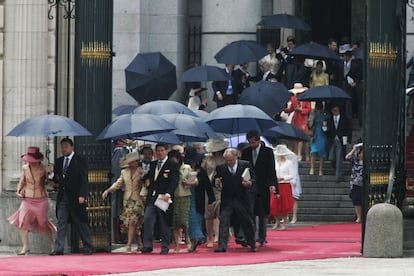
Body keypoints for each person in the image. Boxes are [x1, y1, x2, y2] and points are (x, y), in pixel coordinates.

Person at [49, 138, 93, 255]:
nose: (64, 149)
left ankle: (88, 246)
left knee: (80, 222)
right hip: (63, 196)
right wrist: (51, 173)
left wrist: (82, 195)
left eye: (66, 146)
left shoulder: (80, 160)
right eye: (62, 147)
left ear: (72, 147)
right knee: (61, 222)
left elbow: (84, 179)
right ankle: (59, 248)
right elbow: (56, 179)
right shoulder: (59, 161)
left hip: (76, 196)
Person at [8, 147, 56, 255]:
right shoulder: (25, 168)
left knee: (43, 223)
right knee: (23, 221)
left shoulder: (43, 168)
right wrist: (18, 191)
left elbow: (51, 182)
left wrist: (51, 173)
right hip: (28, 199)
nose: (30, 162)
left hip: (41, 199)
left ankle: (53, 244)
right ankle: (26, 247)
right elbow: (22, 181)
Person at [213, 148, 257, 253]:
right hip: (227, 199)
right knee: (223, 221)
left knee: (247, 221)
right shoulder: (221, 168)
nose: (229, 163)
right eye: (227, 160)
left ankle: (252, 243)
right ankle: (222, 245)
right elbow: (214, 181)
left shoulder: (245, 165)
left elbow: (254, 178)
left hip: (241, 198)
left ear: (236, 157)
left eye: (231, 160)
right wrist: (217, 182)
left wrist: (249, 183)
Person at [139, 143, 180, 254]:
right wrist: (142, 175)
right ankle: (147, 245)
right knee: (148, 219)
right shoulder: (153, 165)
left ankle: (165, 246)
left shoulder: (173, 165)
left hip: (164, 198)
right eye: (158, 151)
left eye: (162, 150)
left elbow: (174, 181)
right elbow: (149, 179)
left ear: (166, 151)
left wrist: (168, 194)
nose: (160, 153)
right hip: (152, 197)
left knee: (164, 222)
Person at [102, 152, 145, 253]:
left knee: (132, 221)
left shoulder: (141, 171)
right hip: (127, 200)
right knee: (133, 224)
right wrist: (108, 190)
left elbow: (146, 184)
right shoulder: (124, 172)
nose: (131, 164)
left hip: (138, 200)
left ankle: (129, 245)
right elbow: (118, 183)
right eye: (129, 162)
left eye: (133, 162)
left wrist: (143, 175)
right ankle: (140, 244)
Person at [241, 130, 277, 247]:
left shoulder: (267, 152)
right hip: (249, 186)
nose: (251, 145)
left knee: (262, 213)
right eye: (249, 142)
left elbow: (271, 169)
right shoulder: (246, 152)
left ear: (258, 140)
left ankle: (262, 237)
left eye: (253, 142)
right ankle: (250, 237)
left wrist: (273, 184)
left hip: (263, 186)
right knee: (249, 212)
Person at [184, 146, 214, 252]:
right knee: (189, 220)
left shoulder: (200, 171)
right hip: (185, 197)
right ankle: (194, 239)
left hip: (198, 199)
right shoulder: (182, 170)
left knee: (196, 219)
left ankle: (195, 239)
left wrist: (211, 198)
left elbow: (207, 185)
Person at [168, 149, 198, 253]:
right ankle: (177, 244)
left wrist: (188, 183)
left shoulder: (187, 168)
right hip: (173, 196)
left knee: (184, 220)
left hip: (185, 196)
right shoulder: (168, 168)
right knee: (175, 221)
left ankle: (188, 240)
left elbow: (195, 181)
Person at [202, 138, 228, 248]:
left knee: (220, 212)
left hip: (222, 188)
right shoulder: (207, 159)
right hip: (209, 188)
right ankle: (210, 237)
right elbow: (202, 171)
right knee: (209, 214)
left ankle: (219, 235)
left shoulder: (225, 158)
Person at [270, 145, 295, 231]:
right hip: (276, 184)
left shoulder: (289, 163)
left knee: (285, 204)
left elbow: (292, 175)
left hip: (285, 185)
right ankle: (277, 221)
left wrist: (283, 178)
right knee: (273, 204)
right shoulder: (275, 162)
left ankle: (284, 222)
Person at [284, 83, 312, 161]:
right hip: (296, 119)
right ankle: (297, 154)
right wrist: (285, 109)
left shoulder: (307, 99)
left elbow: (309, 109)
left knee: (305, 139)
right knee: (296, 138)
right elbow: (291, 109)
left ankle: (306, 155)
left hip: (303, 119)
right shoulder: (293, 98)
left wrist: (301, 110)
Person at [325, 104, 352, 182]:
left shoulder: (344, 119)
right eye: (334, 110)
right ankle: (337, 168)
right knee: (331, 158)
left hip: (341, 139)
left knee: (339, 158)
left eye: (336, 110)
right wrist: (325, 128)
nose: (335, 112)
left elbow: (348, 129)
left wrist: (348, 139)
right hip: (332, 140)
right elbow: (327, 131)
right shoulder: (329, 119)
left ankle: (338, 176)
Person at [111, 139, 130, 243]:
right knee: (118, 210)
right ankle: (118, 236)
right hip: (120, 184)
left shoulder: (124, 149)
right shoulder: (119, 150)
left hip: (124, 185)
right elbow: (118, 168)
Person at [308, 101, 329, 176]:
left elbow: (328, 125)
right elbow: (309, 125)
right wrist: (313, 118)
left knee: (322, 152)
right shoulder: (313, 114)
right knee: (313, 151)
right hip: (315, 134)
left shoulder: (326, 114)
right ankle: (312, 168)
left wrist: (325, 125)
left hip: (322, 134)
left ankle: (321, 169)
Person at [346, 143, 363, 223]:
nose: (361, 155)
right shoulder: (355, 161)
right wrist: (354, 149)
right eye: (360, 153)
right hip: (355, 183)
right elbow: (347, 157)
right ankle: (358, 217)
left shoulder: (367, 162)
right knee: (356, 201)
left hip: (364, 183)